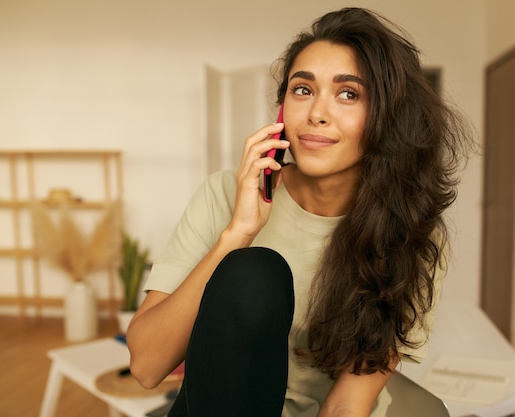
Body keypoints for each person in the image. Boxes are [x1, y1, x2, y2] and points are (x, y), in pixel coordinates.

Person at [127, 7, 472, 417]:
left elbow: (347, 403)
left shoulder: (411, 232)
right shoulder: (225, 194)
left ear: (387, 117)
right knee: (254, 271)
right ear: (281, 112)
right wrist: (237, 234)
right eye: (302, 90)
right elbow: (147, 367)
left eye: (349, 94)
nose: (316, 114)